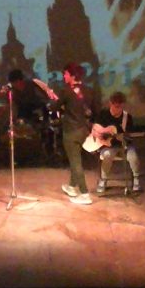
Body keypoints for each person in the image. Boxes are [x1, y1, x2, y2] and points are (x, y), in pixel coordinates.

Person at [45, 63, 95, 205]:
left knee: (75, 163)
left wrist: (51, 98)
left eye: (65, 74)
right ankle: (72, 187)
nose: (64, 76)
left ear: (72, 76)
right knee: (76, 159)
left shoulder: (65, 91)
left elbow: (53, 107)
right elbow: (92, 110)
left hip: (71, 131)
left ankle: (85, 194)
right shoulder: (89, 90)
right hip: (84, 130)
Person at [91, 91, 141, 193]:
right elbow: (95, 128)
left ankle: (136, 179)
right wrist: (102, 132)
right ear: (111, 103)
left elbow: (129, 135)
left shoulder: (127, 117)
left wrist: (123, 138)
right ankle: (103, 180)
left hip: (124, 146)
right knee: (107, 155)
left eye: (120, 106)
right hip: (108, 146)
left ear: (123, 105)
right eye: (115, 106)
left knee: (133, 157)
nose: (117, 109)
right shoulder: (103, 114)